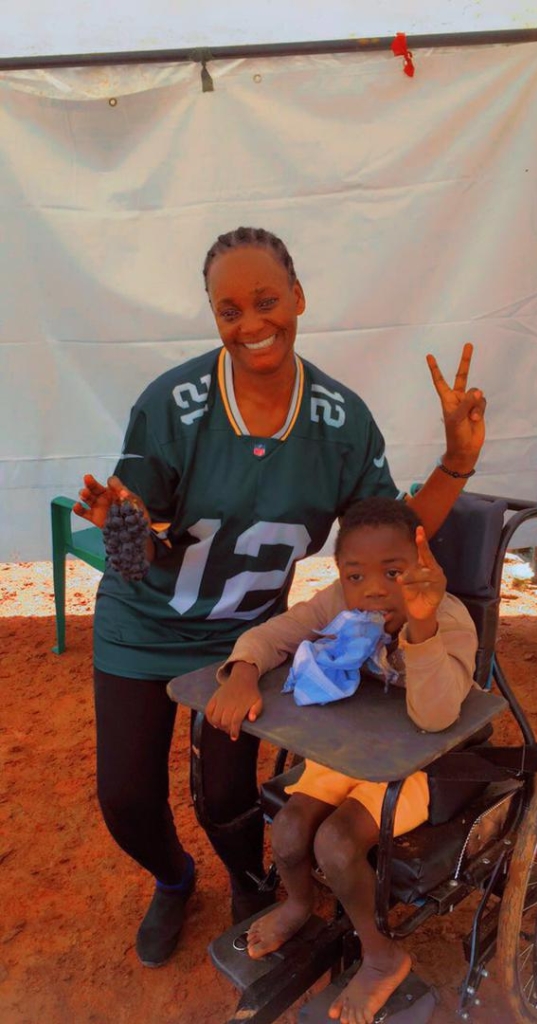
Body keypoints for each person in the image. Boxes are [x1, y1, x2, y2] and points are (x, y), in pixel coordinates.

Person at [73, 226, 485, 969]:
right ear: (213, 315)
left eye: (267, 301)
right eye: (229, 310)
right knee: (126, 798)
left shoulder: (340, 420)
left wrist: (455, 462)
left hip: (250, 634)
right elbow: (142, 555)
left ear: (298, 297)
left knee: (227, 797)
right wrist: (124, 529)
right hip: (147, 623)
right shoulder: (173, 404)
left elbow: (388, 540)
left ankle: (246, 879)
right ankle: (173, 878)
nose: (251, 324)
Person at [207, 496, 477, 1023]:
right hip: (353, 748)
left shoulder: (449, 620)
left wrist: (421, 627)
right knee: (289, 831)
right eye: (356, 575)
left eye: (393, 572)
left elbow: (436, 717)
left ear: (420, 565)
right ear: (341, 576)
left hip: (421, 765)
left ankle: (381, 956)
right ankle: (298, 904)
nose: (373, 589)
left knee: (335, 843)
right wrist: (243, 671)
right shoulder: (339, 603)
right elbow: (272, 635)